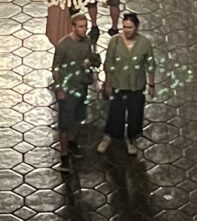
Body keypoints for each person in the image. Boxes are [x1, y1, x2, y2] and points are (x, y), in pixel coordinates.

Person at [97, 12, 155, 156]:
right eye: (125, 27)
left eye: (130, 27)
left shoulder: (144, 43)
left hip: (136, 85)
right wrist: (107, 83)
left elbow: (151, 64)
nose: (127, 30)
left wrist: (152, 85)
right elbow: (108, 63)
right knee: (116, 112)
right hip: (118, 83)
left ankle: (131, 139)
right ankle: (110, 136)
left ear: (136, 27)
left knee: (135, 113)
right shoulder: (115, 41)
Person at [50, 8, 102, 158]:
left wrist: (92, 62)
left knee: (78, 118)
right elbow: (56, 67)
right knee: (65, 123)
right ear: (73, 27)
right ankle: (64, 154)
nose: (84, 29)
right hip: (68, 88)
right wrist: (59, 88)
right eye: (80, 26)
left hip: (81, 86)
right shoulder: (63, 45)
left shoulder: (86, 41)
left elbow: (90, 58)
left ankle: (72, 143)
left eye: (85, 26)